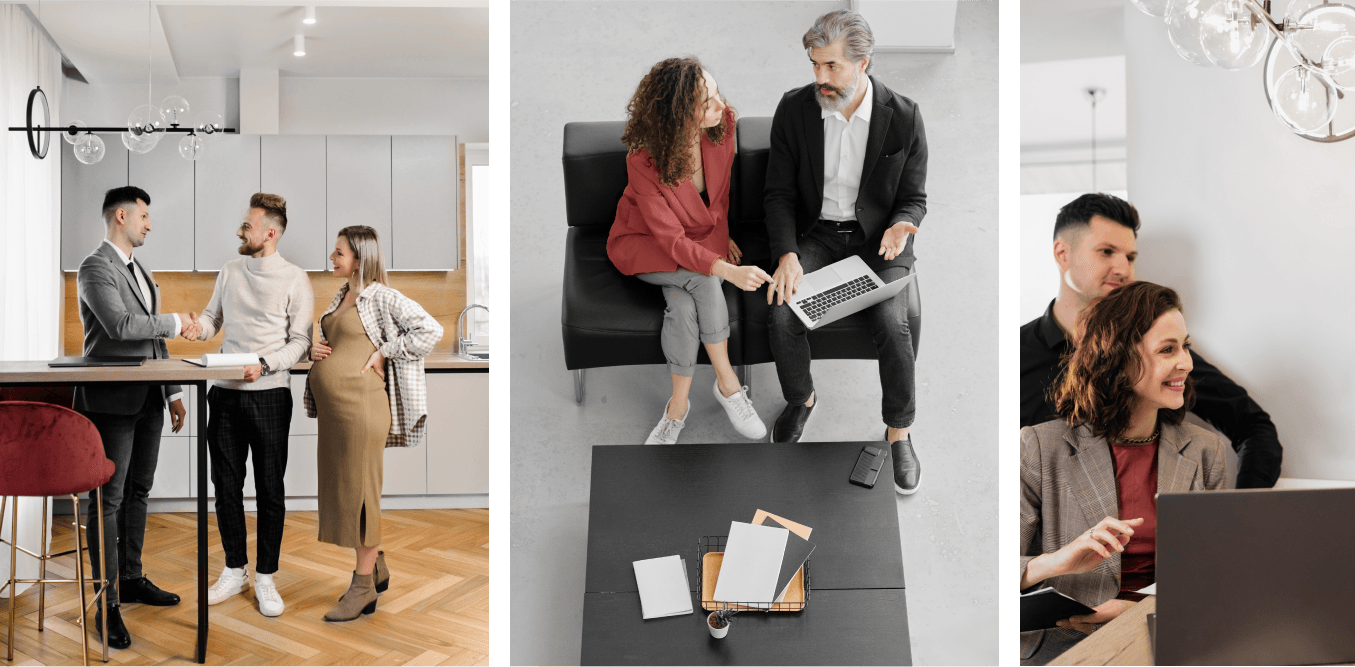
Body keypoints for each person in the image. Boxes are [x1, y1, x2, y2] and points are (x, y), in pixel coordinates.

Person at [1019, 281, 1230, 665]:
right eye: (1168, 349)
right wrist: (1058, 561)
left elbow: (1217, 576)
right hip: (1064, 641)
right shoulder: (1038, 446)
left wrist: (1143, 613)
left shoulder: (1205, 451)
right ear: (1117, 360)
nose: (1186, 362)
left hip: (1172, 635)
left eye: (1185, 346)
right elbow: (992, 570)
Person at [763, 9, 928, 494]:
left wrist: (904, 225)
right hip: (815, 234)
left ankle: (899, 430)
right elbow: (778, 194)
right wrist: (787, 254)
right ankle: (802, 399)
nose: (820, 77)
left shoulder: (905, 116)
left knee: (892, 327)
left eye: (832, 66)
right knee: (781, 315)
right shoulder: (794, 109)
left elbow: (914, 198)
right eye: (815, 64)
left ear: (864, 63)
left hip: (880, 240)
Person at [1018, 193, 1283, 488]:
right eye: (1106, 251)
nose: (1122, 269)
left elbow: (1254, 427)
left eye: (1130, 257)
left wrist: (1243, 511)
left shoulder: (1163, 357)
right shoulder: (1010, 357)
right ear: (1062, 254)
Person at [606, 57, 773, 445]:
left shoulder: (722, 125)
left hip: (700, 237)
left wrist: (721, 236)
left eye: (717, 94)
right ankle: (728, 385)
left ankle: (676, 409)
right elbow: (669, 240)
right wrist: (724, 270)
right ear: (679, 115)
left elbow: (721, 196)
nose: (721, 106)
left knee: (682, 308)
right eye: (707, 103)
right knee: (705, 279)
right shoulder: (643, 161)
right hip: (643, 243)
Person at [74, 185, 200, 648]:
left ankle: (131, 577)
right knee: (108, 500)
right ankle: (105, 603)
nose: (149, 223)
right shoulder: (94, 267)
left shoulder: (139, 271)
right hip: (110, 401)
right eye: (144, 215)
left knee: (139, 492)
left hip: (148, 400)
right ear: (121, 217)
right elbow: (121, 328)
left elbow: (152, 343)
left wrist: (172, 393)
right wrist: (174, 319)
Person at [305, 225, 443, 621]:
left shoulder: (381, 295)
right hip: (337, 413)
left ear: (360, 259)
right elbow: (343, 342)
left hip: (361, 410)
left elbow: (430, 329)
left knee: (362, 493)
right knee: (346, 491)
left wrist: (386, 351)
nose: (332, 259)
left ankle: (363, 587)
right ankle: (375, 562)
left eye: (339, 254)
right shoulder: (343, 294)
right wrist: (317, 348)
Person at [192, 193, 314, 617]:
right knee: (225, 490)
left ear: (270, 232)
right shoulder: (229, 271)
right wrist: (197, 326)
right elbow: (213, 320)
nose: (240, 231)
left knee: (269, 491)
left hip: (270, 396)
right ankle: (234, 569)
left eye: (247, 225)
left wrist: (263, 366)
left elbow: (300, 343)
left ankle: (265, 577)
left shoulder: (295, 278)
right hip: (224, 394)